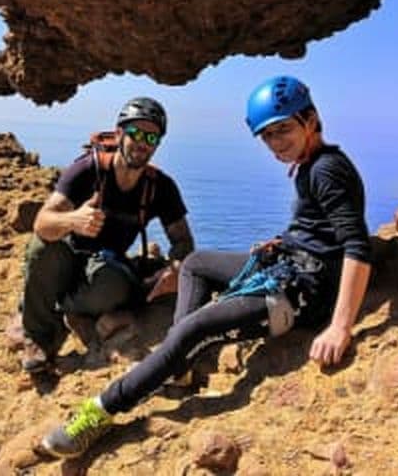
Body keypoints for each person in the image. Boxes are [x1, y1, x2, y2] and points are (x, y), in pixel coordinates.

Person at [40, 76, 372, 458]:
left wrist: (340, 327)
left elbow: (356, 246)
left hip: (302, 293)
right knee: (195, 264)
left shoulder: (327, 170)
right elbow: (321, 230)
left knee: (193, 329)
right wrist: (286, 240)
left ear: (309, 120)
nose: (276, 143)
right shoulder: (311, 164)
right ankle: (178, 367)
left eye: (283, 129)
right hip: (289, 264)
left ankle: (100, 412)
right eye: (267, 136)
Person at [20, 97, 195, 373]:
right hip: (68, 254)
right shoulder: (87, 170)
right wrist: (73, 220)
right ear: (119, 133)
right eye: (136, 133)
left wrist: (176, 266)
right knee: (40, 248)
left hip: (105, 266)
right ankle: (38, 337)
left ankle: (60, 306)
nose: (143, 142)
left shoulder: (160, 187)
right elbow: (42, 223)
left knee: (113, 285)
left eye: (152, 137)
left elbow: (183, 240)